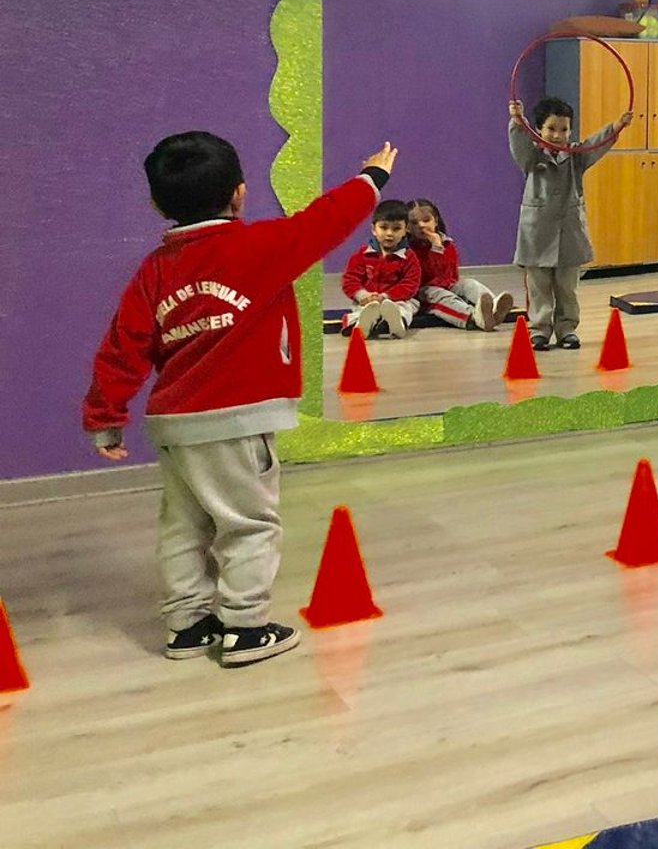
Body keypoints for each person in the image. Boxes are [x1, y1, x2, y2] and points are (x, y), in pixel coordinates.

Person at [84, 132, 399, 666]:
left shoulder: (154, 270)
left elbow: (123, 345)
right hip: (238, 422)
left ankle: (187, 625)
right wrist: (373, 177)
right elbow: (327, 219)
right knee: (249, 524)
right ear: (240, 194)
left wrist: (105, 416)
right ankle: (245, 628)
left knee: (183, 525)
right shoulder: (265, 245)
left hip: (175, 425)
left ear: (157, 205)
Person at [508, 95, 629, 351]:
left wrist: (616, 127)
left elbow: (595, 145)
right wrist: (517, 121)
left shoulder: (576, 156)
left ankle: (567, 329)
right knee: (539, 286)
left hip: (569, 233)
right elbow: (520, 147)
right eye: (551, 128)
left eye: (563, 129)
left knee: (567, 288)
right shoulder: (533, 157)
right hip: (537, 234)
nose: (557, 135)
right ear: (538, 129)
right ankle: (539, 329)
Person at [406, 197, 511, 332]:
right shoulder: (409, 250)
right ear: (407, 228)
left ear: (435, 221)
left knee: (469, 284)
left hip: (448, 284)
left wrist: (439, 246)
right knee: (439, 295)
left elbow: (449, 274)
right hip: (426, 291)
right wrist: (436, 249)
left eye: (426, 220)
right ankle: (473, 317)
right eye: (414, 223)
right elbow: (429, 275)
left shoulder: (447, 244)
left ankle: (494, 307)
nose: (421, 225)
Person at [340, 199, 422, 339]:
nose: (389, 233)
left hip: (397, 300)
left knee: (406, 307)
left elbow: (410, 283)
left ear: (406, 230)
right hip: (368, 301)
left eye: (396, 229)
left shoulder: (409, 257)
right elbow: (350, 279)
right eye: (384, 228)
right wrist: (363, 296)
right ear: (374, 229)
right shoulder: (362, 254)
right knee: (359, 311)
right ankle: (358, 325)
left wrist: (386, 297)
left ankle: (397, 323)